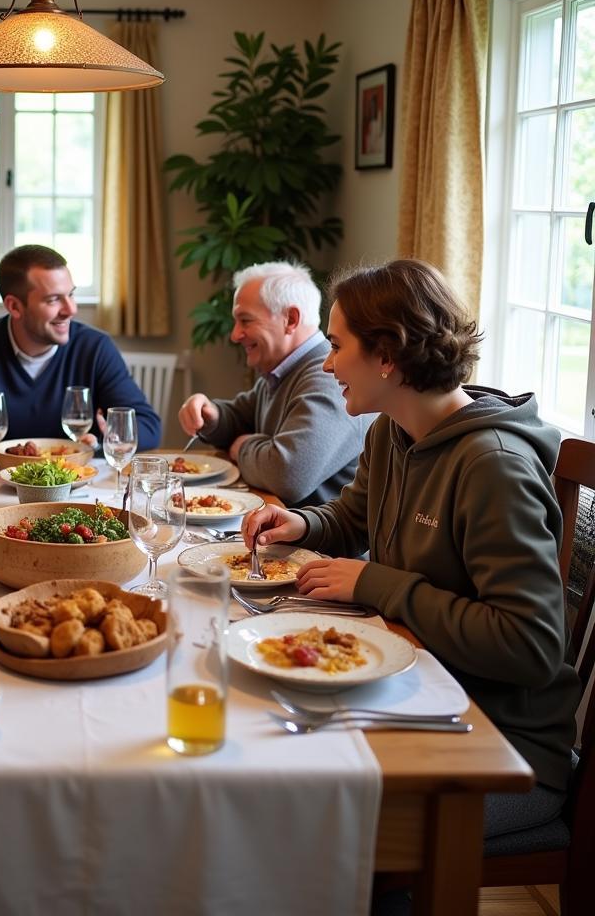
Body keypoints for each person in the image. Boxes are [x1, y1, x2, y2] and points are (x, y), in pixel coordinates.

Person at [242, 259, 581, 841]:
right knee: (269, 760)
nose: (326, 363)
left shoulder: (492, 466)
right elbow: (351, 519)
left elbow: (531, 646)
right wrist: (298, 523)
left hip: (502, 747)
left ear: (388, 356)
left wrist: (377, 584)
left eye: (337, 344)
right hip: (420, 693)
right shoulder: (391, 431)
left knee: (315, 828)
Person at [0, 244, 160, 449]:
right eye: (53, 300)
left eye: (71, 294)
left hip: (76, 494)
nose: (71, 309)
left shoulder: (94, 348)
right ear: (14, 306)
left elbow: (148, 426)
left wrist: (104, 444)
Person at [178, 261, 370, 505]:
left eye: (245, 321)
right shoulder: (282, 371)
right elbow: (240, 418)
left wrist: (243, 447)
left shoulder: (330, 378)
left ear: (290, 319)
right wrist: (211, 415)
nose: (234, 335)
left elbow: (287, 475)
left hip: (315, 542)